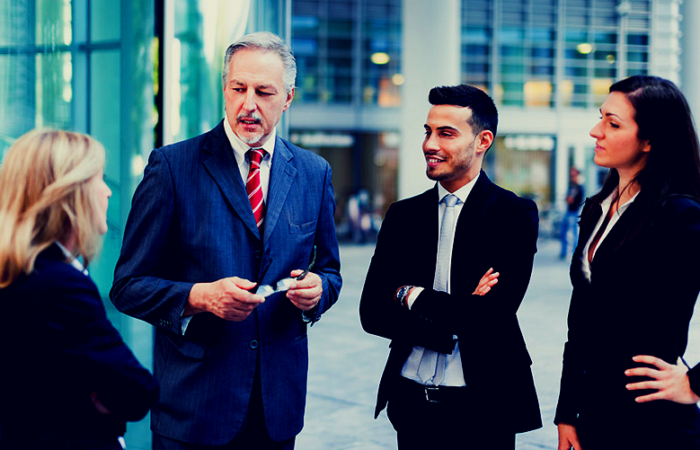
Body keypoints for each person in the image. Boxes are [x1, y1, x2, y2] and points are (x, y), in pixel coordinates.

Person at [110, 31, 342, 450]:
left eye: (263, 92)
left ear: (287, 98)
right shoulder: (172, 167)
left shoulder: (314, 172)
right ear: (225, 88)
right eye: (238, 88)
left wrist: (319, 290)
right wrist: (199, 297)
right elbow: (128, 286)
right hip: (194, 409)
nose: (248, 104)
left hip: (277, 409)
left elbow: (330, 271)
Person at [360, 84, 542, 449]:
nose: (430, 144)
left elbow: (492, 314)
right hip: (410, 403)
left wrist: (408, 294)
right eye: (428, 132)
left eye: (446, 133)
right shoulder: (403, 215)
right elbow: (372, 313)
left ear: (482, 140)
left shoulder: (514, 214)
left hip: (484, 406)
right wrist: (457, 316)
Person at [555, 75, 700, 450]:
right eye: (601, 117)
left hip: (652, 422)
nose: (595, 131)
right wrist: (567, 412)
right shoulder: (596, 210)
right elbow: (580, 323)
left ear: (650, 140)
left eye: (613, 123)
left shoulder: (679, 214)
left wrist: (694, 383)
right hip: (593, 418)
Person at [0, 129, 159, 450]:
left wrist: (86, 386)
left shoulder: (19, 275)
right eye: (98, 178)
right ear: (71, 194)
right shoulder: (62, 286)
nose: (107, 192)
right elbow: (136, 391)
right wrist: (91, 390)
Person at [559, 167, 584, 259]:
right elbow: (567, 200)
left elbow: (571, 200)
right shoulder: (572, 186)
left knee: (574, 234)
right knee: (563, 232)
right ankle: (564, 252)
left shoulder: (578, 187)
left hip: (574, 212)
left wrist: (570, 199)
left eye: (573, 173)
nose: (571, 174)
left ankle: (575, 253)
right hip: (568, 211)